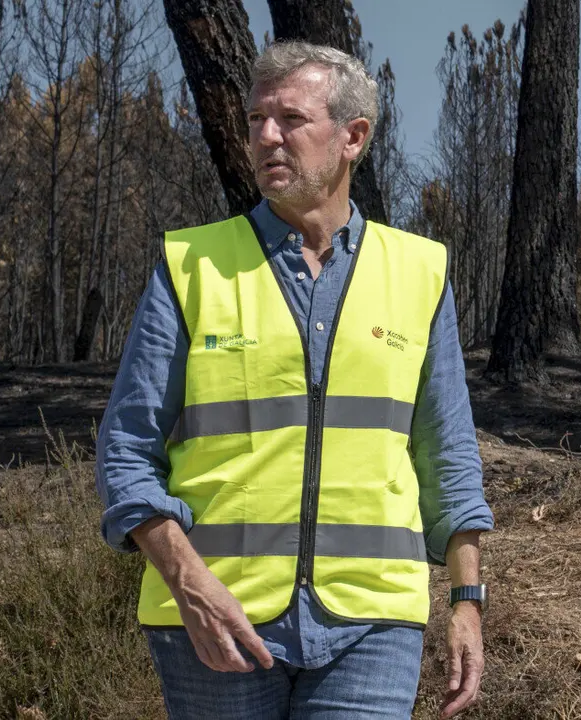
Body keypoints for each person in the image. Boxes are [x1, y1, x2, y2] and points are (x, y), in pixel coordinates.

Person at [95, 40, 493, 719]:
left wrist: (466, 603)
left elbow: (448, 456)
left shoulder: (419, 274)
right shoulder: (192, 266)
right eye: (255, 120)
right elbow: (126, 452)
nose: (264, 137)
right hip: (215, 621)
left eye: (289, 119)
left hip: (373, 623)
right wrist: (188, 583)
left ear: (352, 137)